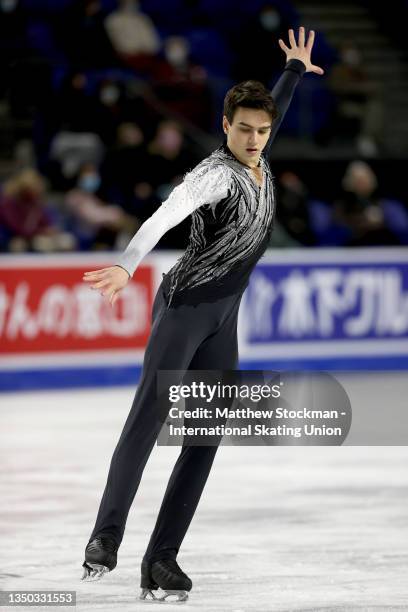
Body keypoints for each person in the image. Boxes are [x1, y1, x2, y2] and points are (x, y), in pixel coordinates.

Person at [81, 27, 324, 603]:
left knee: (204, 440)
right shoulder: (215, 174)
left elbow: (276, 109)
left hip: (224, 323)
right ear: (225, 125)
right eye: (244, 129)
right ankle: (104, 538)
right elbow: (163, 217)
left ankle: (161, 559)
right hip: (184, 309)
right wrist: (127, 266)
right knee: (147, 420)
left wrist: (291, 70)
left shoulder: (261, 152)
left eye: (263, 131)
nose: (255, 139)